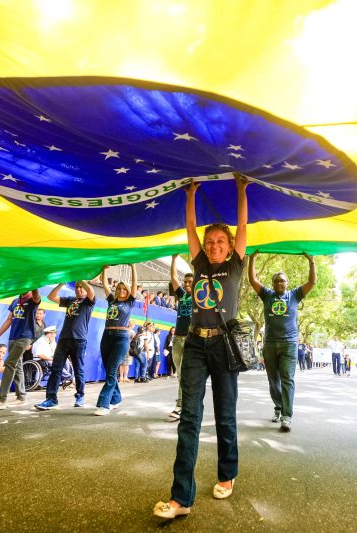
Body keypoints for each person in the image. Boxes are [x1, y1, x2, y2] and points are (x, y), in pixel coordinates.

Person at [153, 176, 248, 520]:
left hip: (224, 346)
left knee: (225, 414)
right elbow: (190, 226)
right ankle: (181, 498)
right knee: (189, 417)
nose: (214, 245)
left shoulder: (236, 264)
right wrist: (190, 195)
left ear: (230, 245)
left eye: (220, 241)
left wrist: (242, 189)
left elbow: (242, 223)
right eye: (210, 242)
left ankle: (227, 473)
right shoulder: (199, 263)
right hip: (194, 342)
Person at [248, 250, 316, 431]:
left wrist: (311, 261)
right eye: (276, 280)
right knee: (273, 380)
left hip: (289, 344)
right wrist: (252, 258)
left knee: (287, 379)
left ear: (287, 283)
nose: (280, 283)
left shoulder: (294, 295)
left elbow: (311, 282)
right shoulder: (267, 295)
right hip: (270, 344)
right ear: (272, 283)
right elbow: (253, 280)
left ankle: (287, 416)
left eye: (282, 280)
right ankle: (278, 407)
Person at [35, 280, 96, 410]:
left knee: (78, 369)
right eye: (77, 287)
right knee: (56, 369)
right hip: (63, 339)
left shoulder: (89, 302)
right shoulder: (70, 300)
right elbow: (51, 297)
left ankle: (80, 396)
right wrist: (62, 283)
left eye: (81, 287)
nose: (79, 289)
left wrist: (82, 279)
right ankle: (51, 399)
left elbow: (91, 291)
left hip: (79, 340)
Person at [0, 289, 41, 410]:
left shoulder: (33, 300)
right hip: (13, 337)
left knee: (10, 364)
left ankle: (1, 399)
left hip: (24, 337)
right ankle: (21, 397)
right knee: (18, 366)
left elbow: (37, 296)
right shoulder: (15, 301)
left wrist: (35, 284)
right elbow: (8, 320)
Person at [94, 264, 138, 415]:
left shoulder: (129, 302)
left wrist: (132, 267)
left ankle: (104, 404)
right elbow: (105, 283)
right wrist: (105, 269)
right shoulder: (112, 300)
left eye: (124, 289)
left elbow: (134, 285)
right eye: (119, 288)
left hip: (121, 338)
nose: (121, 291)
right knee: (109, 370)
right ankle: (116, 398)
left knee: (112, 369)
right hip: (107, 336)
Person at [167, 254, 194, 419]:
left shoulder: (199, 296)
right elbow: (173, 277)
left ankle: (180, 406)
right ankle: (186, 405)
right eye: (186, 281)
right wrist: (174, 259)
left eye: (191, 282)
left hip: (190, 339)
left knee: (184, 373)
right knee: (180, 375)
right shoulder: (182, 295)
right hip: (177, 338)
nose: (187, 284)